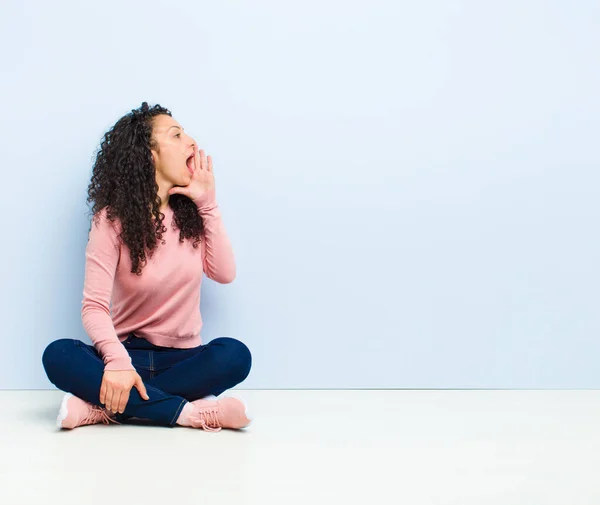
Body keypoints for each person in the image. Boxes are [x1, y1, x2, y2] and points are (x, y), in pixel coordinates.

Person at [42, 102, 252, 432]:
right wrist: (117, 362)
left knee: (235, 355)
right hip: (127, 356)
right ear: (149, 154)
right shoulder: (111, 220)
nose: (192, 142)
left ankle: (107, 409)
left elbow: (224, 274)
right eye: (177, 135)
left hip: (185, 360)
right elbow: (94, 306)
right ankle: (186, 412)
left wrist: (208, 204)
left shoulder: (195, 215)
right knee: (59, 355)